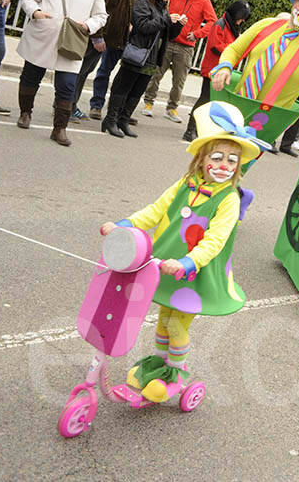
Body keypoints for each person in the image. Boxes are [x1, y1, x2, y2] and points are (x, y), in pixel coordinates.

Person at [99, 101, 267, 404]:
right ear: (202, 159)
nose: (224, 165)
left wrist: (189, 262)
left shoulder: (229, 198)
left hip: (196, 273)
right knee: (164, 318)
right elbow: (155, 210)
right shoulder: (186, 184)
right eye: (217, 157)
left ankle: (177, 374)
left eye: (232, 160)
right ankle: (160, 365)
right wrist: (124, 225)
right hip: (166, 266)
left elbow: (215, 240)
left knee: (177, 324)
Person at [15, 0, 107, 146]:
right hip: (43, 36)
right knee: (31, 76)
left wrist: (87, 25)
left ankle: (59, 129)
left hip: (72, 41)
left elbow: (101, 15)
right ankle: (25, 113)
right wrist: (35, 12)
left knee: (67, 86)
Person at [102, 0, 184, 138]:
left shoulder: (162, 8)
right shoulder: (143, 2)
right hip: (137, 52)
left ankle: (123, 120)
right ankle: (110, 120)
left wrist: (178, 25)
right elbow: (143, 26)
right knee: (122, 87)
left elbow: (167, 35)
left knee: (137, 91)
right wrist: (167, 20)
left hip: (151, 58)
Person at [71, 0, 139, 122]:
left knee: (85, 70)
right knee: (80, 70)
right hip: (95, 33)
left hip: (102, 34)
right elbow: (96, 4)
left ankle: (70, 105)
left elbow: (114, 2)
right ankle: (67, 105)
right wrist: (98, 36)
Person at [142, 0, 217, 122]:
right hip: (168, 40)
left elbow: (212, 22)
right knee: (156, 74)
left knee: (179, 81)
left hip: (186, 47)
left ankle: (172, 108)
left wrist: (197, 34)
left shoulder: (204, 2)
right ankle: (148, 103)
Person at [183, 0, 251, 142]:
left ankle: (201, 129)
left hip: (221, 69)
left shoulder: (232, 27)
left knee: (213, 101)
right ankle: (190, 129)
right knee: (205, 99)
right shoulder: (220, 24)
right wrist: (233, 48)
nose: (241, 21)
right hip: (212, 69)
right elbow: (215, 46)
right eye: (241, 18)